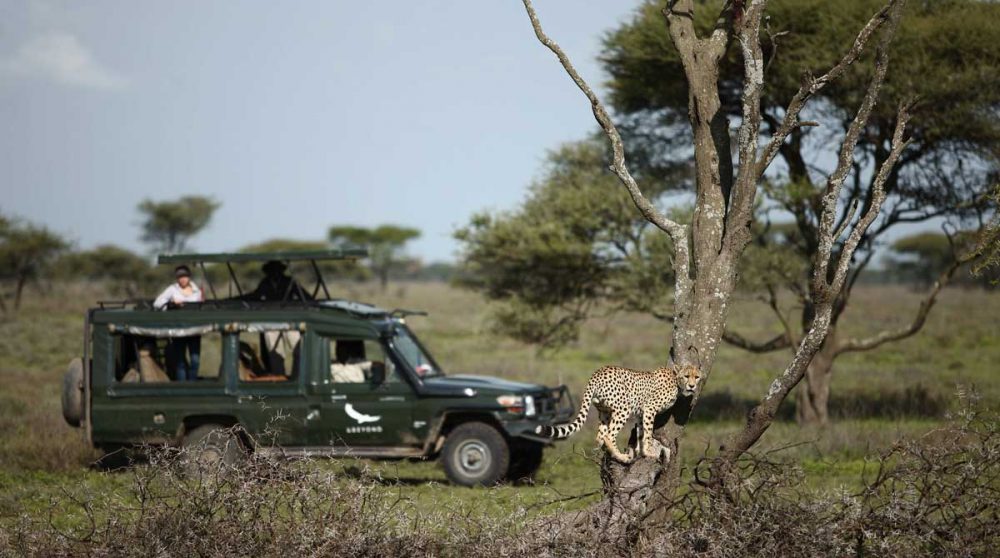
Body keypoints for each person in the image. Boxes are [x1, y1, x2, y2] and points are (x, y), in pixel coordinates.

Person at [153, 265, 203, 381]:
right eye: (179, 277)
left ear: (189, 277)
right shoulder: (172, 289)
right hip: (179, 329)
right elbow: (157, 303)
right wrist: (171, 303)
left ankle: (192, 385)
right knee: (180, 361)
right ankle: (182, 386)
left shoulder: (197, 291)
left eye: (185, 276)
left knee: (195, 360)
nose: (182, 279)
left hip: (194, 329)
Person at [241, 260, 313, 303]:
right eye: (272, 270)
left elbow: (304, 296)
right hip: (271, 310)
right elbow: (256, 295)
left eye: (277, 270)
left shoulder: (289, 282)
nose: (275, 272)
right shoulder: (265, 282)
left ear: (281, 271)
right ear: (268, 272)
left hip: (288, 310)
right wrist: (239, 299)